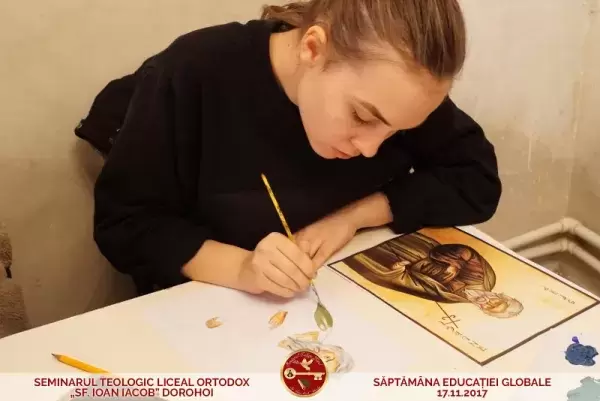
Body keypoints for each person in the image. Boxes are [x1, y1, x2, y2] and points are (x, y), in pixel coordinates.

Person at [92, 0, 502, 298]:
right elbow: (128, 223)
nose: (371, 148)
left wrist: (354, 217)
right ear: (312, 48)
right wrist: (242, 268)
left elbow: (475, 179)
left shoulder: (396, 93)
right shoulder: (195, 72)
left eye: (398, 132)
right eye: (362, 117)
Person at [342, 233, 523, 318]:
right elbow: (467, 252)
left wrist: (397, 270)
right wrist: (455, 264)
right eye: (496, 302)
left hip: (398, 260)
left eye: (489, 308)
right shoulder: (484, 278)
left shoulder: (451, 298)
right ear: (502, 296)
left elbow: (411, 285)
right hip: (418, 248)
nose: (488, 302)